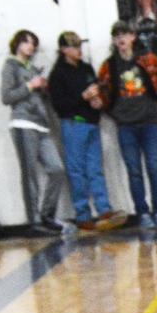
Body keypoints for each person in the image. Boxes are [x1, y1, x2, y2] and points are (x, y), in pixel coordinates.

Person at [97, 21, 157, 234]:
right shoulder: (108, 66)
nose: (121, 39)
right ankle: (143, 213)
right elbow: (103, 95)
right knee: (134, 171)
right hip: (126, 127)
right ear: (114, 40)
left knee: (154, 167)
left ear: (133, 37)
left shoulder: (149, 59)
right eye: (117, 36)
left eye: (125, 34)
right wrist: (114, 113)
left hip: (149, 124)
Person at [48, 32, 127, 233]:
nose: (78, 51)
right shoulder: (58, 74)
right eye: (74, 47)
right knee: (77, 171)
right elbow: (59, 106)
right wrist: (82, 97)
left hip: (92, 122)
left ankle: (103, 209)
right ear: (64, 50)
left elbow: (96, 90)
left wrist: (97, 101)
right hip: (74, 123)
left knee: (95, 168)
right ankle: (82, 214)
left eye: (79, 46)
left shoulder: (86, 68)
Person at [0, 29, 68, 235]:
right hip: (23, 123)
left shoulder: (32, 67)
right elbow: (6, 96)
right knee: (29, 173)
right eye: (26, 42)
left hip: (41, 123)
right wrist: (30, 85)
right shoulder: (10, 66)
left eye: (33, 43)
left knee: (56, 169)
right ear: (17, 44)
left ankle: (47, 213)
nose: (30, 46)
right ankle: (34, 220)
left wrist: (43, 88)